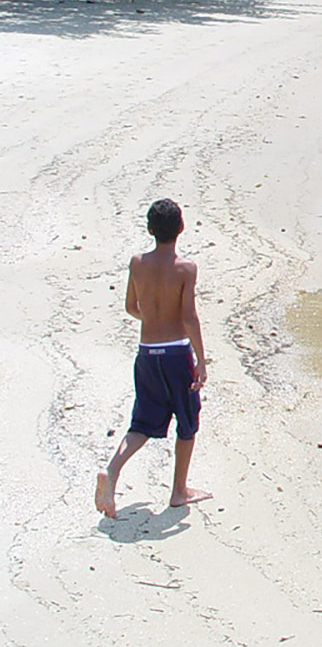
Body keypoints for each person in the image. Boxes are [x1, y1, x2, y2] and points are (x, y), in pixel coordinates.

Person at [95, 199, 210, 518]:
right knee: (187, 422)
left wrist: (154, 318)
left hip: (147, 353)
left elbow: (131, 307)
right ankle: (179, 491)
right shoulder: (186, 268)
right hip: (176, 354)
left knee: (143, 422)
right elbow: (188, 316)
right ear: (181, 228)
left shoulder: (137, 263)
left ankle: (112, 471)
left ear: (149, 229)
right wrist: (201, 360)